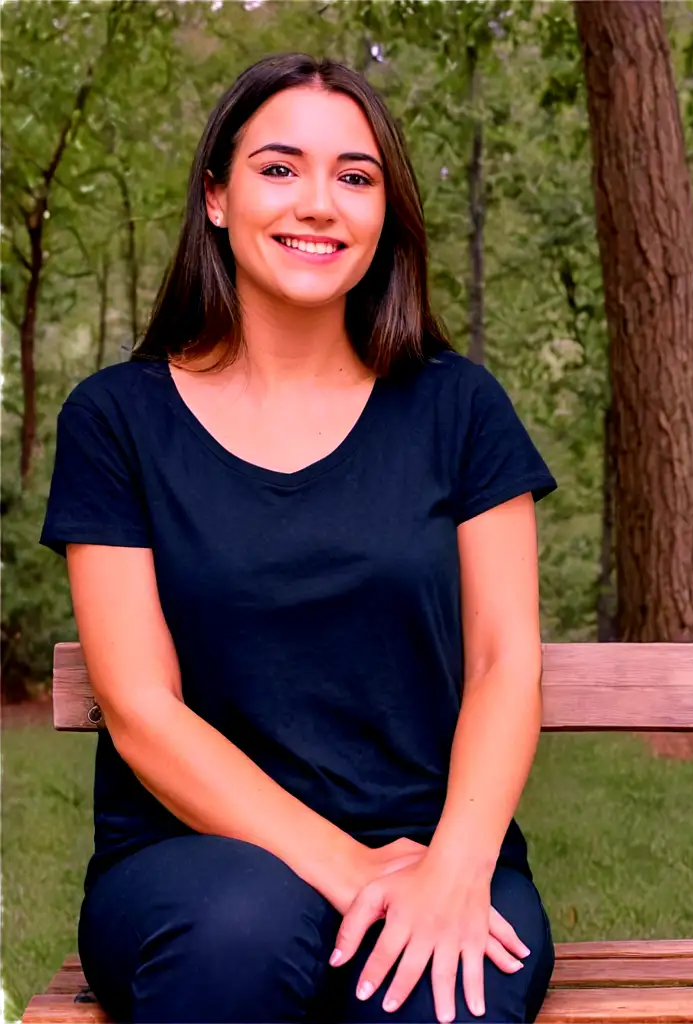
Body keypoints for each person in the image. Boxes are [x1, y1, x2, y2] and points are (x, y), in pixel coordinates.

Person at [40, 52, 557, 1024]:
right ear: (218, 198)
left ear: (383, 215)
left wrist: (452, 866)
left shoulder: (460, 410)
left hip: (434, 842)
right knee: (239, 936)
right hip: (190, 859)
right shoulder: (116, 420)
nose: (319, 202)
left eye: (354, 178)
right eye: (279, 168)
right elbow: (140, 704)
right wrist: (355, 872)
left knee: (444, 993)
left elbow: (503, 663)